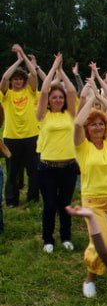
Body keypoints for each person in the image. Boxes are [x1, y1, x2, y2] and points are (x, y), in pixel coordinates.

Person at [74, 83, 107, 298]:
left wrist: (100, 97)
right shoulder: (82, 146)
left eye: (100, 124)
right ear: (87, 128)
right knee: (101, 241)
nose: (97, 127)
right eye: (93, 124)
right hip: (94, 201)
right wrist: (90, 100)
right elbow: (77, 123)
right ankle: (90, 277)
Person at [36, 54, 77, 252]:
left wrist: (62, 71)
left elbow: (72, 90)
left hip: (69, 167)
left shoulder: (71, 114)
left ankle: (66, 237)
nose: (58, 99)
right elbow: (44, 90)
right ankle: (48, 239)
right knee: (50, 205)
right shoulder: (42, 115)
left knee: (65, 205)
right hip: (48, 168)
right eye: (54, 97)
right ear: (49, 100)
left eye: (60, 97)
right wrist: (53, 68)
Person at [1, 44, 39, 208]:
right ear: (12, 81)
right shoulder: (6, 95)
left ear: (24, 80)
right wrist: (17, 62)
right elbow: (4, 78)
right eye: (15, 79)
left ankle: (33, 199)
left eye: (20, 79)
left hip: (31, 136)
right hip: (11, 137)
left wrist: (22, 54)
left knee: (33, 170)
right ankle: (11, 200)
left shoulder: (30, 92)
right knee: (12, 171)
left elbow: (34, 74)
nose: (17, 81)